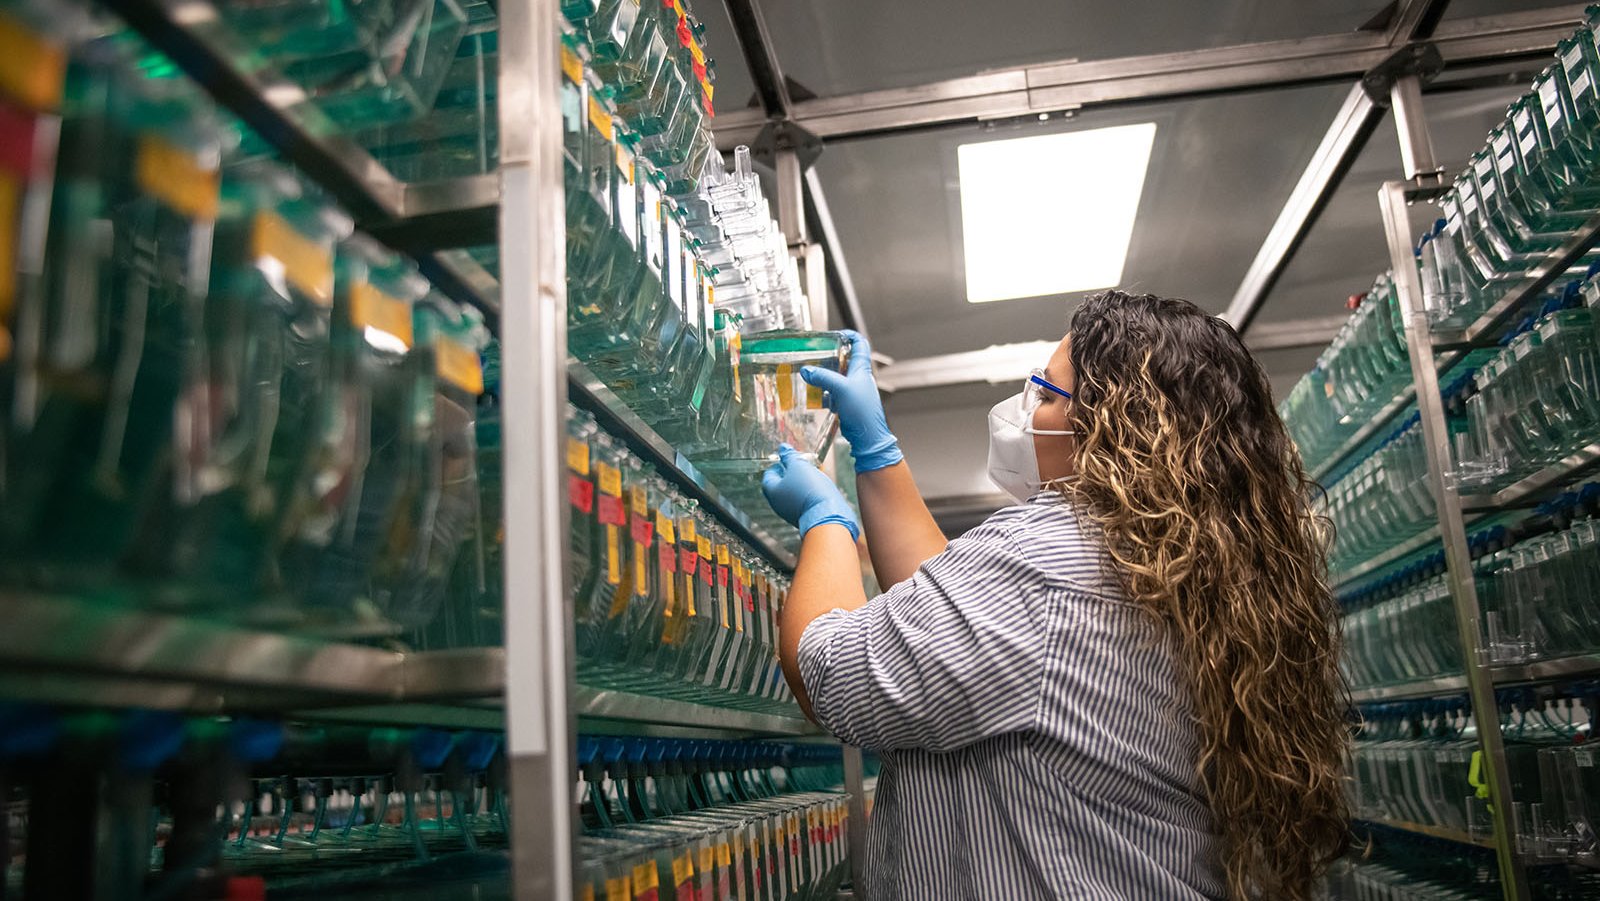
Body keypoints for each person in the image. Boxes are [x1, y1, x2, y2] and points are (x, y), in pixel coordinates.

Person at [760, 290, 1349, 901]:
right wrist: (875, 451)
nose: (1026, 408)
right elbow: (953, 630)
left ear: (1111, 428)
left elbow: (823, 669)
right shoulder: (1188, 567)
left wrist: (826, 523)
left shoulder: (1043, 564)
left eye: (1045, 393)